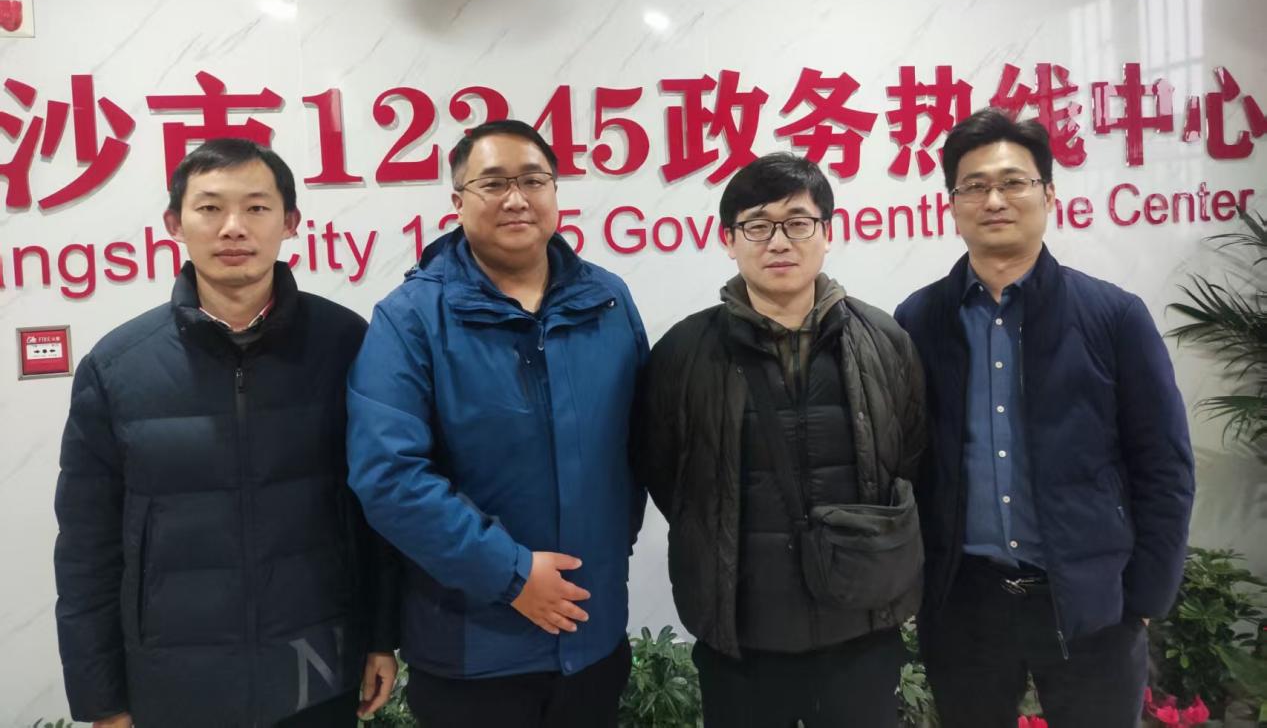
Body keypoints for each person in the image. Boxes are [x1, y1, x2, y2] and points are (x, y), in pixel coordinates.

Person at [54, 138, 398, 728]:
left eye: (257, 207)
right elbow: (86, 547)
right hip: (174, 683)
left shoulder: (346, 343)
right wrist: (101, 699)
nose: (233, 227)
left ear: (290, 223)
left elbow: (377, 508)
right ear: (174, 224)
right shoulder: (117, 367)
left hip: (315, 669)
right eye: (210, 208)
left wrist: (381, 637)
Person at [894, 108, 1195, 728]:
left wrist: (1144, 596)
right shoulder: (918, 320)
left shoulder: (1113, 316)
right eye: (974, 185)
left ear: (1049, 194)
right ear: (952, 204)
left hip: (1090, 602)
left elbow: (1164, 467)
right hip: (965, 605)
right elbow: (906, 462)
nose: (994, 200)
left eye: (1014, 182)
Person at [346, 119, 649, 728]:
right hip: (473, 653)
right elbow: (388, 477)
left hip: (591, 637)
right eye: (492, 184)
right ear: (458, 202)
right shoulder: (411, 318)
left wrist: (611, 547)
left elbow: (640, 443)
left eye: (533, 180)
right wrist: (512, 575)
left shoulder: (607, 300)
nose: (516, 199)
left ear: (555, 192)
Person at [636, 152, 927, 728]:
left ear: (828, 233)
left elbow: (911, 458)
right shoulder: (684, 353)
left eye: (797, 222)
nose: (778, 242)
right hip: (742, 640)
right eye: (757, 225)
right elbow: (668, 477)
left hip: (860, 633)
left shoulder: (884, 340)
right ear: (728, 239)